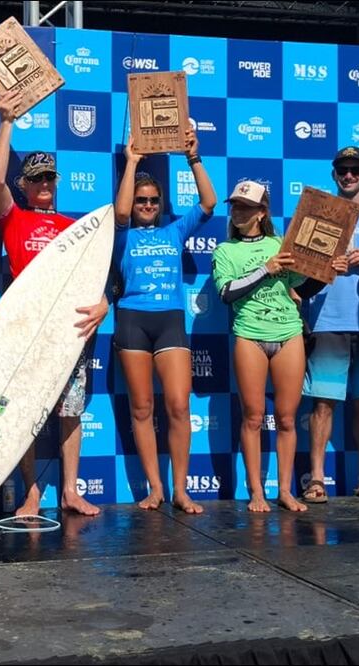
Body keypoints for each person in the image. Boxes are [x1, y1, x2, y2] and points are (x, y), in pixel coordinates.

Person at [0, 89, 108, 518]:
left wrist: (104, 306)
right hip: (25, 329)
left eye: (49, 178)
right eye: (36, 178)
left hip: (69, 332)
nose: (43, 184)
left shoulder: (73, 226)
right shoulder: (13, 217)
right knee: (23, 411)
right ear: (25, 186)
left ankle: (70, 492)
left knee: (70, 412)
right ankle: (31, 494)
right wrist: (6, 121)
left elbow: (95, 278)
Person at [213, 180, 346, 513]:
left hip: (288, 333)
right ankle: (256, 492)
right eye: (235, 206)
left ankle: (285, 491)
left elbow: (305, 282)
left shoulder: (280, 243)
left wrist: (330, 269)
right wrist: (265, 269)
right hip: (249, 335)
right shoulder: (225, 250)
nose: (238, 211)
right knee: (253, 417)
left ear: (262, 212)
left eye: (245, 206)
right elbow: (227, 293)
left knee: (287, 419)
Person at [112, 132, 216, 513]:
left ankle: (181, 490)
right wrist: (133, 162)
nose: (148, 205)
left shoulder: (174, 230)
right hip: (132, 319)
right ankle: (155, 488)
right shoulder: (121, 233)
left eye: (154, 200)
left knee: (177, 405)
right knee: (141, 408)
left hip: (170, 319)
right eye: (143, 200)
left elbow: (208, 202)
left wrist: (194, 159)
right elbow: (121, 212)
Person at [296, 147, 359, 504]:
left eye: (356, 169)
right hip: (327, 319)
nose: (349, 175)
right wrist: (324, 264)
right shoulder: (319, 213)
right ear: (334, 174)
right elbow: (299, 271)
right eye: (343, 170)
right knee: (323, 403)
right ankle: (317, 479)